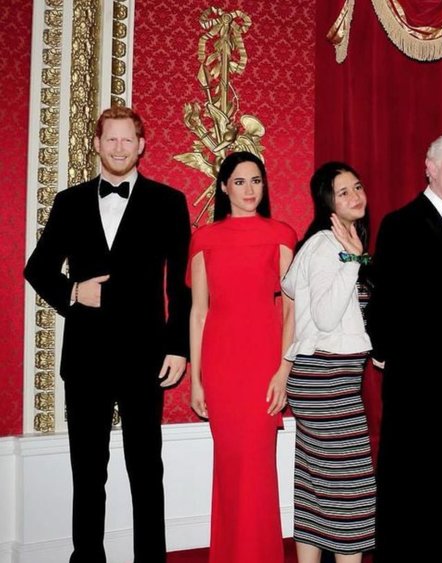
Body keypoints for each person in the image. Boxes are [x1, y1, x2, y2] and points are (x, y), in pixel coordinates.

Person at [24, 106, 190, 563]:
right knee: (88, 471)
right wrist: (74, 291)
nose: (118, 147)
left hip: (146, 357)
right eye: (110, 139)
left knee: (145, 469)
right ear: (96, 145)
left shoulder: (169, 202)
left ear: (141, 146)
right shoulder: (69, 202)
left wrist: (178, 347)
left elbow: (181, 283)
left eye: (127, 140)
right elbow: (36, 269)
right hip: (86, 359)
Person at [367, 132, 442, 562]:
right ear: (429, 167)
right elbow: (385, 298)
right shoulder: (400, 223)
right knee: (405, 488)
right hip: (416, 385)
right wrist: (387, 353)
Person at [188, 151, 297, 563]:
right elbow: (199, 312)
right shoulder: (204, 239)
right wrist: (197, 379)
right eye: (240, 181)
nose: (250, 190)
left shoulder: (282, 235)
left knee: (257, 470)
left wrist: (283, 371)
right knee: (231, 467)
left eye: (256, 181)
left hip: (263, 364)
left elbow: (292, 310)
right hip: (220, 366)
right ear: (223, 187)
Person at [281, 162, 377, 563]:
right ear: (327, 203)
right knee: (352, 493)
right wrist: (354, 260)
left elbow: (289, 288)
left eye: (357, 186)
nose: (356, 196)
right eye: (343, 192)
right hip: (326, 383)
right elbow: (323, 316)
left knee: (315, 487)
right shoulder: (326, 246)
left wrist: (358, 258)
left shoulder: (338, 243)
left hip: (323, 379)